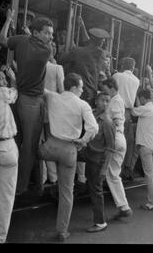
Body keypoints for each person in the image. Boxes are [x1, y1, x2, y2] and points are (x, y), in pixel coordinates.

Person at [0, 8, 54, 196]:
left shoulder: (22, 40)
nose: (50, 37)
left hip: (18, 98)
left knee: (16, 140)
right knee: (29, 147)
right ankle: (21, 187)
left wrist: (8, 20)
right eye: (46, 33)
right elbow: (35, 45)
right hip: (32, 103)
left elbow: (2, 40)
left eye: (51, 34)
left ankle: (9, 181)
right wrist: (29, 34)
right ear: (37, 32)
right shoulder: (46, 50)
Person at [40, 73, 98, 241]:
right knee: (67, 192)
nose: (82, 91)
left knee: (31, 152)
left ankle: (35, 182)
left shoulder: (52, 97)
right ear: (73, 87)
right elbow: (93, 128)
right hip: (69, 151)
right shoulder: (83, 105)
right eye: (81, 87)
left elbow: (39, 89)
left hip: (49, 147)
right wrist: (83, 140)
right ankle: (62, 231)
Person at [0, 39, 18, 243]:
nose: (4, 82)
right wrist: (12, 77)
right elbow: (14, 93)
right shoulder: (3, 94)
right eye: (1, 79)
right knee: (6, 198)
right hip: (6, 149)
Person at [101, 77, 133, 219]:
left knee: (111, 174)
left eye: (105, 88)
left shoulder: (116, 101)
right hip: (119, 139)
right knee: (112, 174)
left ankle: (124, 207)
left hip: (115, 138)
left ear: (111, 87)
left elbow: (116, 121)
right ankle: (123, 207)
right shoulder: (117, 99)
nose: (103, 91)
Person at [85, 92, 116, 232]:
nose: (105, 103)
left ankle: (100, 222)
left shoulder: (107, 122)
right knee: (92, 189)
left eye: (107, 101)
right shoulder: (91, 114)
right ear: (96, 100)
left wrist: (104, 169)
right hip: (89, 155)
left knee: (96, 190)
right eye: (103, 100)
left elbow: (110, 148)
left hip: (98, 161)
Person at [61, 27, 111, 108]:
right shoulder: (102, 55)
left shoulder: (77, 51)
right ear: (100, 42)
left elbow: (62, 60)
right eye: (102, 40)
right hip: (91, 95)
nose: (103, 42)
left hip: (76, 92)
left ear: (91, 39)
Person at [131, 89, 153, 210]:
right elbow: (140, 110)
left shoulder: (145, 109)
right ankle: (152, 200)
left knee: (149, 175)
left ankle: (152, 202)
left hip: (146, 146)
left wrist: (135, 99)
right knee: (150, 173)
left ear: (142, 98)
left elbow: (133, 111)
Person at [112, 57, 140, 181]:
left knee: (113, 139)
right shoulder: (137, 80)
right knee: (125, 142)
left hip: (116, 108)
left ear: (123, 65)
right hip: (128, 112)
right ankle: (122, 170)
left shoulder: (117, 75)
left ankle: (111, 172)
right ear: (133, 68)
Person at [42, 42, 65, 185]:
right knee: (51, 142)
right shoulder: (57, 68)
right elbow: (62, 91)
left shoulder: (36, 65)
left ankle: (43, 176)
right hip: (52, 109)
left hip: (36, 106)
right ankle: (54, 177)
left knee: (40, 141)